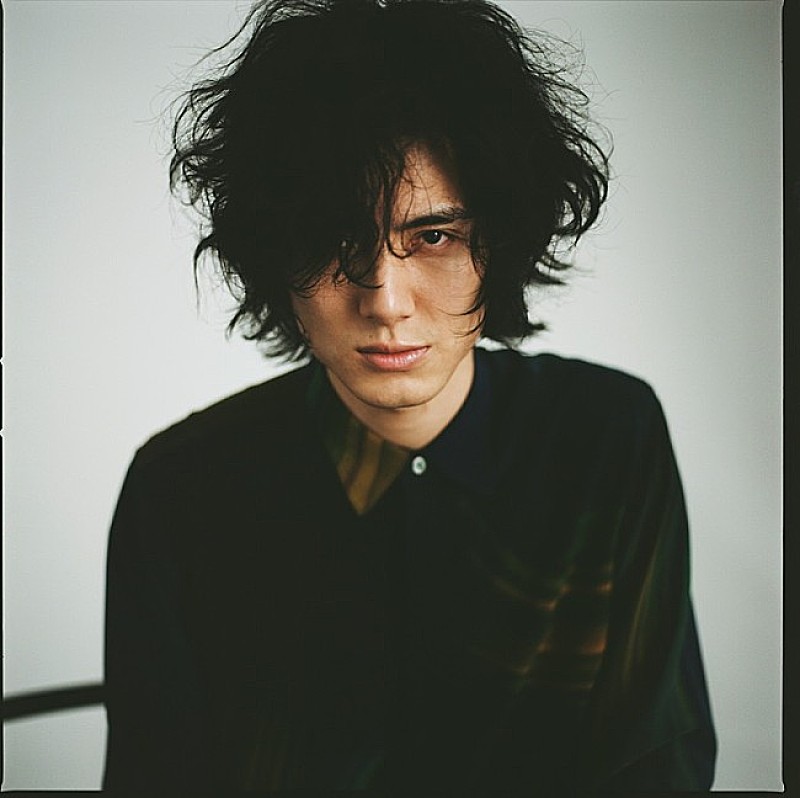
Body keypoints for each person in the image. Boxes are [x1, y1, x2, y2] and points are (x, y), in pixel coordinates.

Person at [102, 0, 716, 789]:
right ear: (273, 258)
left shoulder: (606, 437)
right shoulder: (181, 488)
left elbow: (660, 762)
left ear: (500, 242)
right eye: (332, 240)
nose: (385, 300)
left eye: (433, 237)